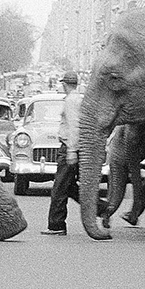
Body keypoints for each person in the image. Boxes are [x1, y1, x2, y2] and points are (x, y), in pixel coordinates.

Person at [42, 71, 84, 234]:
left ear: (64, 84)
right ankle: (100, 208)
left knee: (59, 187)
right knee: (69, 186)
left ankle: (56, 224)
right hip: (70, 146)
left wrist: (72, 151)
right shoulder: (76, 98)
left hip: (68, 146)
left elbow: (74, 126)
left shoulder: (71, 101)